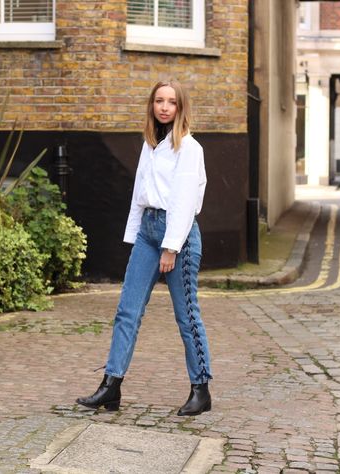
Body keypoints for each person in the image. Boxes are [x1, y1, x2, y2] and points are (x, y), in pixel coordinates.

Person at [76, 79, 213, 416]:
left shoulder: (189, 148)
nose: (164, 107)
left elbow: (183, 200)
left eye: (171, 102)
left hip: (176, 237)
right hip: (148, 234)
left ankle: (201, 389)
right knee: (127, 311)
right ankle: (112, 386)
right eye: (158, 101)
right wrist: (136, 236)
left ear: (181, 107)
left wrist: (170, 248)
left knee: (187, 316)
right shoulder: (150, 144)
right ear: (152, 106)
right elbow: (140, 192)